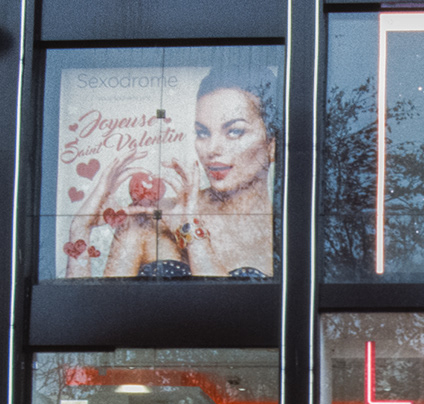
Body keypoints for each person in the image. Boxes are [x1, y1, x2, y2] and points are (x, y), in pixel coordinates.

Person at [62, 69, 278, 279]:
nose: (211, 149)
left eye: (234, 131)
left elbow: (223, 302)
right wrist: (80, 229)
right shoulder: (151, 217)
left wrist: (190, 234)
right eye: (203, 133)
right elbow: (96, 303)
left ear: (272, 145)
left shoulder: (285, 229)